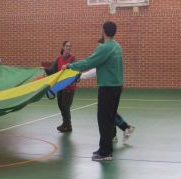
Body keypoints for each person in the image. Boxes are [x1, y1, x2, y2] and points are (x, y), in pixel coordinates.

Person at [64, 21, 123, 161]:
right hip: (116, 87)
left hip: (107, 88)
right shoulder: (117, 46)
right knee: (109, 119)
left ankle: (105, 152)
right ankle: (105, 148)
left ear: (103, 31)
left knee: (104, 120)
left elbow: (88, 62)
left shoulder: (105, 47)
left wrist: (69, 66)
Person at [45, 40, 76, 133]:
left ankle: (68, 125)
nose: (68, 48)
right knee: (61, 105)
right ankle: (65, 124)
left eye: (70, 46)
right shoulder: (59, 59)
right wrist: (44, 70)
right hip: (60, 87)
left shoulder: (73, 59)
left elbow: (74, 70)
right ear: (63, 47)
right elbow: (51, 70)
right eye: (67, 46)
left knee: (65, 106)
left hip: (69, 87)